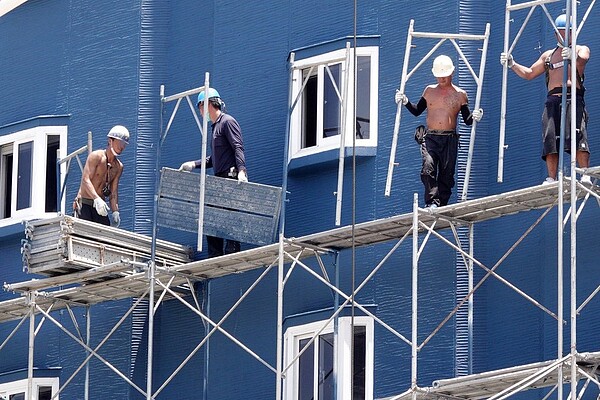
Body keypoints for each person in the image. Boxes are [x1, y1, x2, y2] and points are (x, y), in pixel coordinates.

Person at [500, 14, 591, 185]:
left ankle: (584, 173)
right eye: (561, 33)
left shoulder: (580, 49)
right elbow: (529, 74)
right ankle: (552, 177)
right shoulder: (548, 56)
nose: (564, 36)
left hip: (573, 98)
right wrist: (512, 64)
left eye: (567, 33)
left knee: (578, 135)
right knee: (550, 139)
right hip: (553, 101)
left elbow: (583, 60)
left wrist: (572, 55)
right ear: (556, 35)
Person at [395, 55, 483, 209]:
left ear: (452, 73)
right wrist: (406, 101)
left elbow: (467, 120)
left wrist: (476, 115)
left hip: (449, 139)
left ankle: (441, 205)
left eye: (444, 76)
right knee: (427, 168)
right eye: (439, 76)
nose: (441, 79)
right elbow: (417, 111)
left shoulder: (460, 94)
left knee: (447, 175)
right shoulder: (429, 91)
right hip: (431, 138)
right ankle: (432, 202)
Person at [179, 88, 248, 257]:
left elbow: (237, 147)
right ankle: (215, 254)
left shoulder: (227, 122)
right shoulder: (215, 127)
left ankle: (232, 250)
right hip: (219, 179)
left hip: (230, 177)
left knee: (229, 215)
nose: (201, 112)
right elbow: (214, 159)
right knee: (211, 217)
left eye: (200, 107)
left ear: (207, 104)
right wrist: (193, 164)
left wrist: (242, 171)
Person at [73, 125, 129, 227]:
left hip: (100, 206)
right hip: (85, 202)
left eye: (124, 144)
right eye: (120, 142)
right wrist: (96, 198)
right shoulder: (96, 156)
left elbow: (113, 191)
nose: (122, 146)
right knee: (84, 234)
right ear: (110, 141)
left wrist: (115, 211)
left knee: (104, 235)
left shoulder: (118, 166)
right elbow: (85, 180)